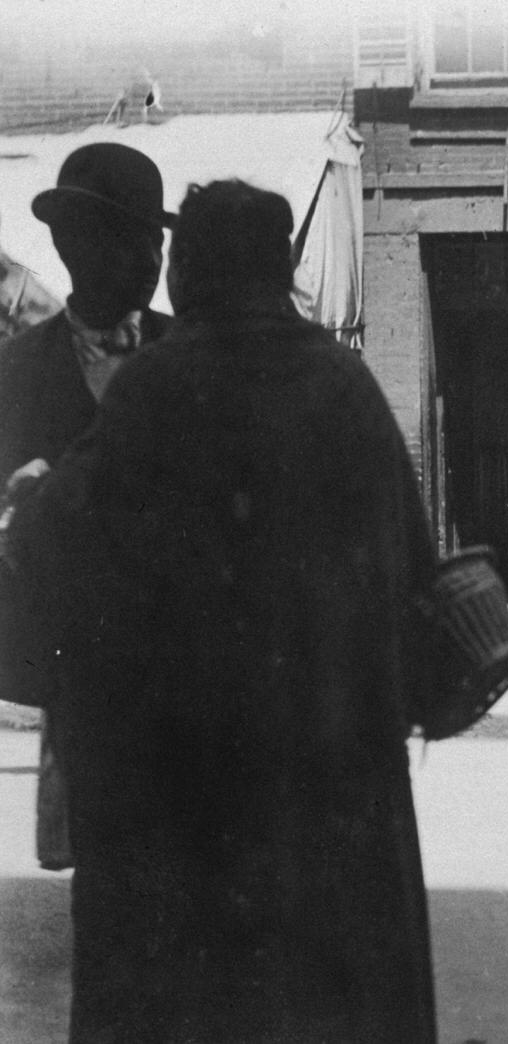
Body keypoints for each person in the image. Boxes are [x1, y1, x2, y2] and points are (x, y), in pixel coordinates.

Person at [8, 180, 437, 1042]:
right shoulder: (346, 384)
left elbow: (60, 548)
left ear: (191, 266)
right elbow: (416, 575)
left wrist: (34, 496)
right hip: (330, 768)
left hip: (184, 786)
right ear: (278, 270)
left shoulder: (158, 386)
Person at [0, 142, 173, 872]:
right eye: (134, 235)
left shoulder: (191, 350)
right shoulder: (16, 370)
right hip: (82, 681)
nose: (153, 255)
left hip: (186, 676)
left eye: (156, 238)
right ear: (74, 245)